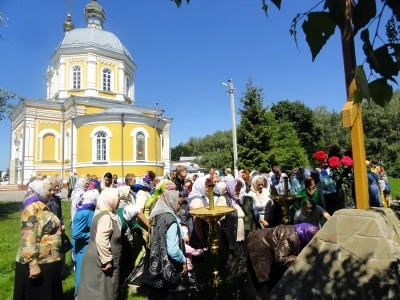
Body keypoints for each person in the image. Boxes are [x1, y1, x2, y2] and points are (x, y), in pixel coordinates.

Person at [14, 179, 63, 300]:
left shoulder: (43, 204)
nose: (53, 192)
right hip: (39, 263)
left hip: (49, 260)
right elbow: (28, 238)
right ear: (39, 190)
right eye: (49, 190)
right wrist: (33, 265)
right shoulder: (32, 208)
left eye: (53, 189)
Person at [246, 223, 319, 298]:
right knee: (261, 280)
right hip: (259, 247)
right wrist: (299, 259)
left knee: (271, 279)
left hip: (264, 244)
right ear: (308, 236)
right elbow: (280, 259)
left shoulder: (299, 232)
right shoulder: (292, 237)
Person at [78, 188, 122, 300]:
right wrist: (107, 260)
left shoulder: (108, 214)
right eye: (118, 198)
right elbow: (101, 240)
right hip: (101, 260)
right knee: (101, 291)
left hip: (99, 257)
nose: (119, 201)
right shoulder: (106, 217)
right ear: (110, 199)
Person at [146, 190, 187, 299]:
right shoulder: (171, 219)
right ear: (171, 202)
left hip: (156, 264)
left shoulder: (158, 215)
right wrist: (183, 260)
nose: (179, 207)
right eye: (178, 203)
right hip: (169, 267)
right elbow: (173, 249)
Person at [71, 189, 99, 296]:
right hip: (82, 249)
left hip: (86, 248)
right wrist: (93, 235)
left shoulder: (87, 210)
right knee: (81, 275)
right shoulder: (84, 212)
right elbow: (76, 234)